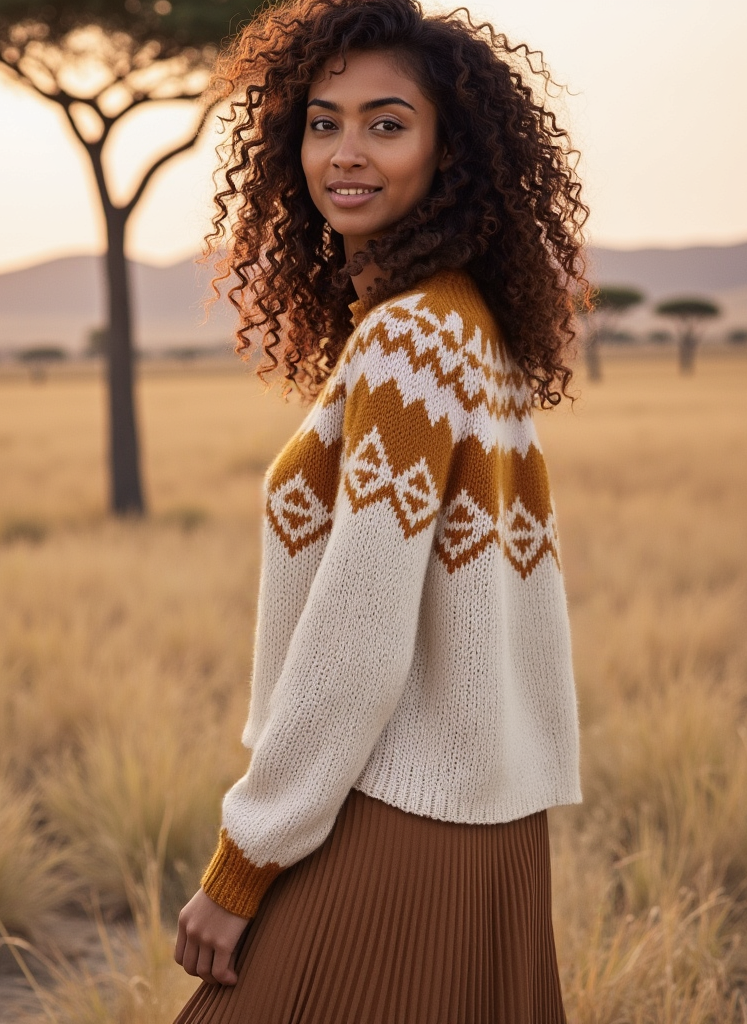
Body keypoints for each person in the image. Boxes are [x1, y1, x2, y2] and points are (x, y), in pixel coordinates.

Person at [174, 0, 588, 1019]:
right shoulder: (455, 322)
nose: (345, 153)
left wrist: (240, 866)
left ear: (451, 151)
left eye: (386, 122)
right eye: (324, 122)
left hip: (395, 808)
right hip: (482, 813)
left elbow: (356, 637)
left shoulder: (412, 340)